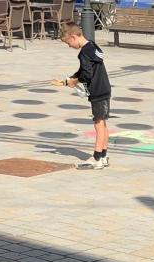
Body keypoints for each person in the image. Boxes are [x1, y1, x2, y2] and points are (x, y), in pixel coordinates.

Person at [56, 21, 111, 169]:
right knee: (103, 124)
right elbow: (84, 70)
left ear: (73, 37)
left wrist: (75, 81)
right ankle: (104, 156)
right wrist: (70, 80)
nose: (69, 46)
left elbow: (86, 74)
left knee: (98, 124)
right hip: (105, 88)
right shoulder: (92, 46)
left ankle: (97, 158)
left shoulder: (83, 53)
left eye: (68, 43)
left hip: (97, 91)